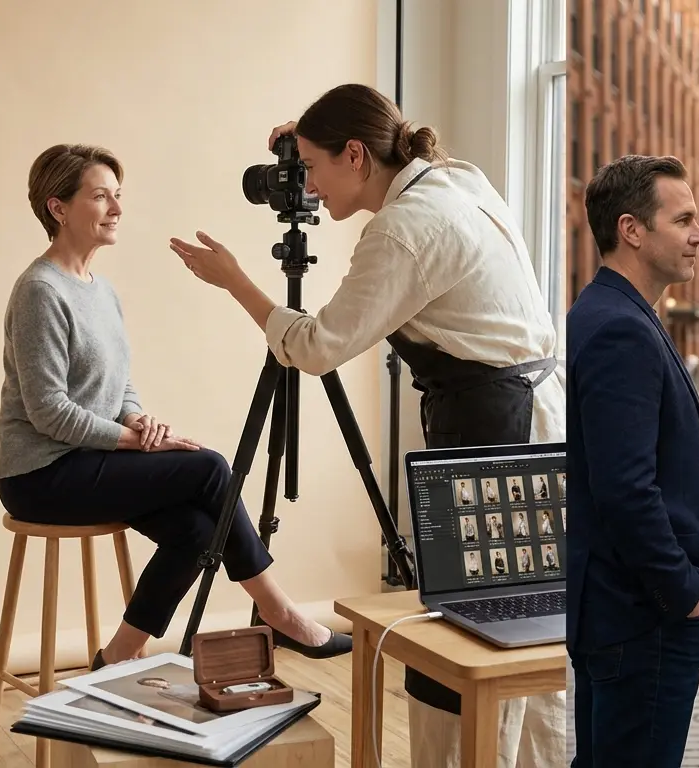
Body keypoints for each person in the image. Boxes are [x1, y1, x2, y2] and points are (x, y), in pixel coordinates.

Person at [167, 83, 567, 768]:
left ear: (356, 154)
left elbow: (317, 348)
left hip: (489, 440)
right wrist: (312, 138)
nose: (311, 188)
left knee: (466, 641)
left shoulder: (401, 231)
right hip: (540, 425)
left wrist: (235, 280)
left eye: (316, 168)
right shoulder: (457, 181)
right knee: (531, 634)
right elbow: (371, 154)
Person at [0, 144, 349, 674]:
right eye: (100, 196)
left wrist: (139, 419)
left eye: (118, 195)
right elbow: (48, 413)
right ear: (58, 208)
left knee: (198, 532)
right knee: (208, 466)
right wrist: (139, 442)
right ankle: (278, 612)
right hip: (41, 472)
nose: (116, 208)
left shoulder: (100, 290)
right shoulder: (40, 292)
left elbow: (118, 387)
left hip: (91, 461)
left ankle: (115, 657)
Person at [565, 154, 699, 768]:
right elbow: (625, 490)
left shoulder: (615, 312)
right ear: (632, 230)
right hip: (643, 618)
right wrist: (681, 594)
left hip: (623, 612)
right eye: (684, 219)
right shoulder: (621, 328)